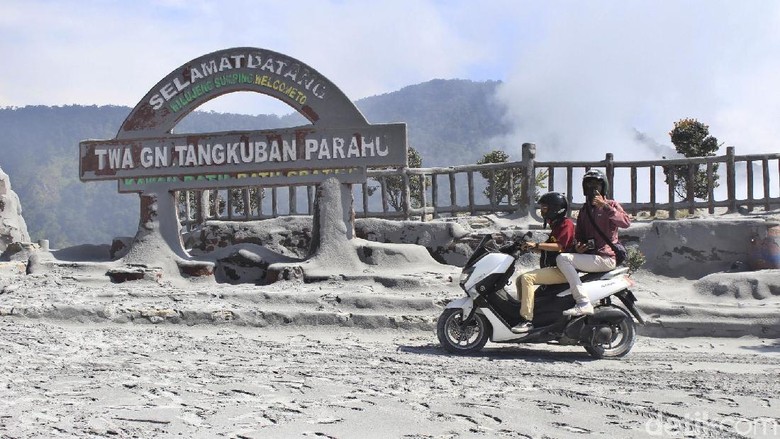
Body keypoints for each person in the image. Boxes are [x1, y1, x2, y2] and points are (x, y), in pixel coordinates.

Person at [556, 169, 631, 317]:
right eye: (589, 185)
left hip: (606, 257)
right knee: (565, 257)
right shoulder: (584, 211)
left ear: (604, 187)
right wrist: (579, 247)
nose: (593, 188)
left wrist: (606, 207)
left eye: (597, 185)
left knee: (563, 259)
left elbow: (625, 222)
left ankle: (583, 302)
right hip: (592, 257)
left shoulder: (611, 205)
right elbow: (580, 235)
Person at [506, 192, 575, 333]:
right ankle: (522, 312)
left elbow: (559, 247)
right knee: (520, 279)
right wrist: (530, 248)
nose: (542, 211)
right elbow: (548, 250)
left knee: (527, 278)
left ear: (555, 209)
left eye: (544, 208)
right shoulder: (556, 226)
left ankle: (527, 320)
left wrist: (536, 245)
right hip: (556, 268)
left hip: (563, 270)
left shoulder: (566, 224)